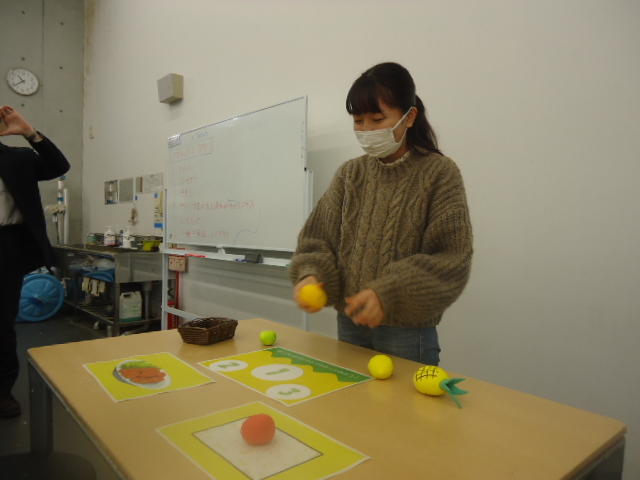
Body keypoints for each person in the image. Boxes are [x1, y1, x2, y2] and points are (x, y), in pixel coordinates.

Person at [290, 63, 473, 364]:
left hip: (407, 331)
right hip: (350, 320)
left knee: (405, 397)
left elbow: (451, 258)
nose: (366, 130)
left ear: (409, 117)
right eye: (358, 121)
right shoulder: (350, 174)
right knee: (353, 393)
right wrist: (311, 274)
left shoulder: (439, 173)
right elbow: (317, 240)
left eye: (377, 119)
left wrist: (389, 293)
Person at [0, 105, 70, 418]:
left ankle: (2, 392)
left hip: (6, 245)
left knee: (2, 323)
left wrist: (28, 132)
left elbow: (58, 166)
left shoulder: (17, 158)